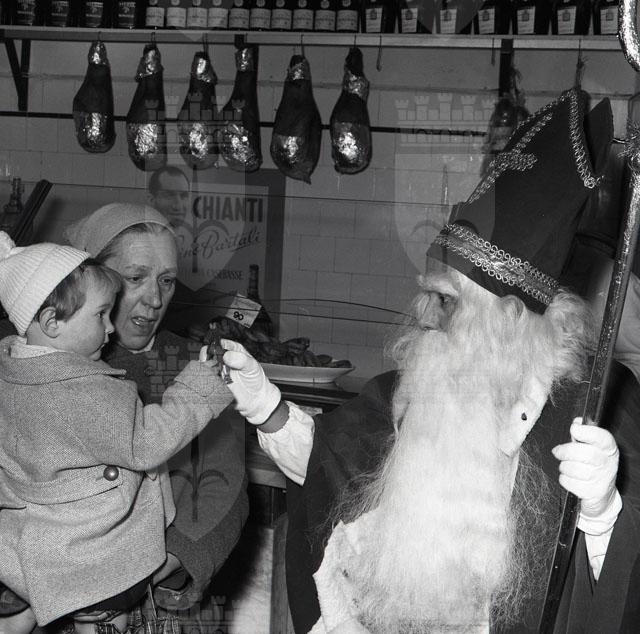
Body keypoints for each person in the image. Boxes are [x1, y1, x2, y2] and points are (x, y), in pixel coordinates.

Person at [220, 88, 640, 633]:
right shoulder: (411, 390)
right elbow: (336, 477)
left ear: (508, 317)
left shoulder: (597, 413)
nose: (422, 313)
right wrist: (268, 410)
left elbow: (618, 594)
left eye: (444, 299)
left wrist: (604, 515)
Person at [0, 232, 233, 634]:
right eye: (101, 315)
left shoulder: (10, 371)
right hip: (92, 551)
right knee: (107, 617)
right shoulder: (84, 389)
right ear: (52, 322)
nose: (109, 328)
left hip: (24, 547)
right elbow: (145, 442)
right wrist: (200, 387)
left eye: (167, 280)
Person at [63, 204, 249, 620]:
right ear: (90, 278)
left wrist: (159, 566)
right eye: (135, 278)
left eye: (166, 281)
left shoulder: (200, 367)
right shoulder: (43, 364)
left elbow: (225, 489)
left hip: (157, 600)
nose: (155, 299)